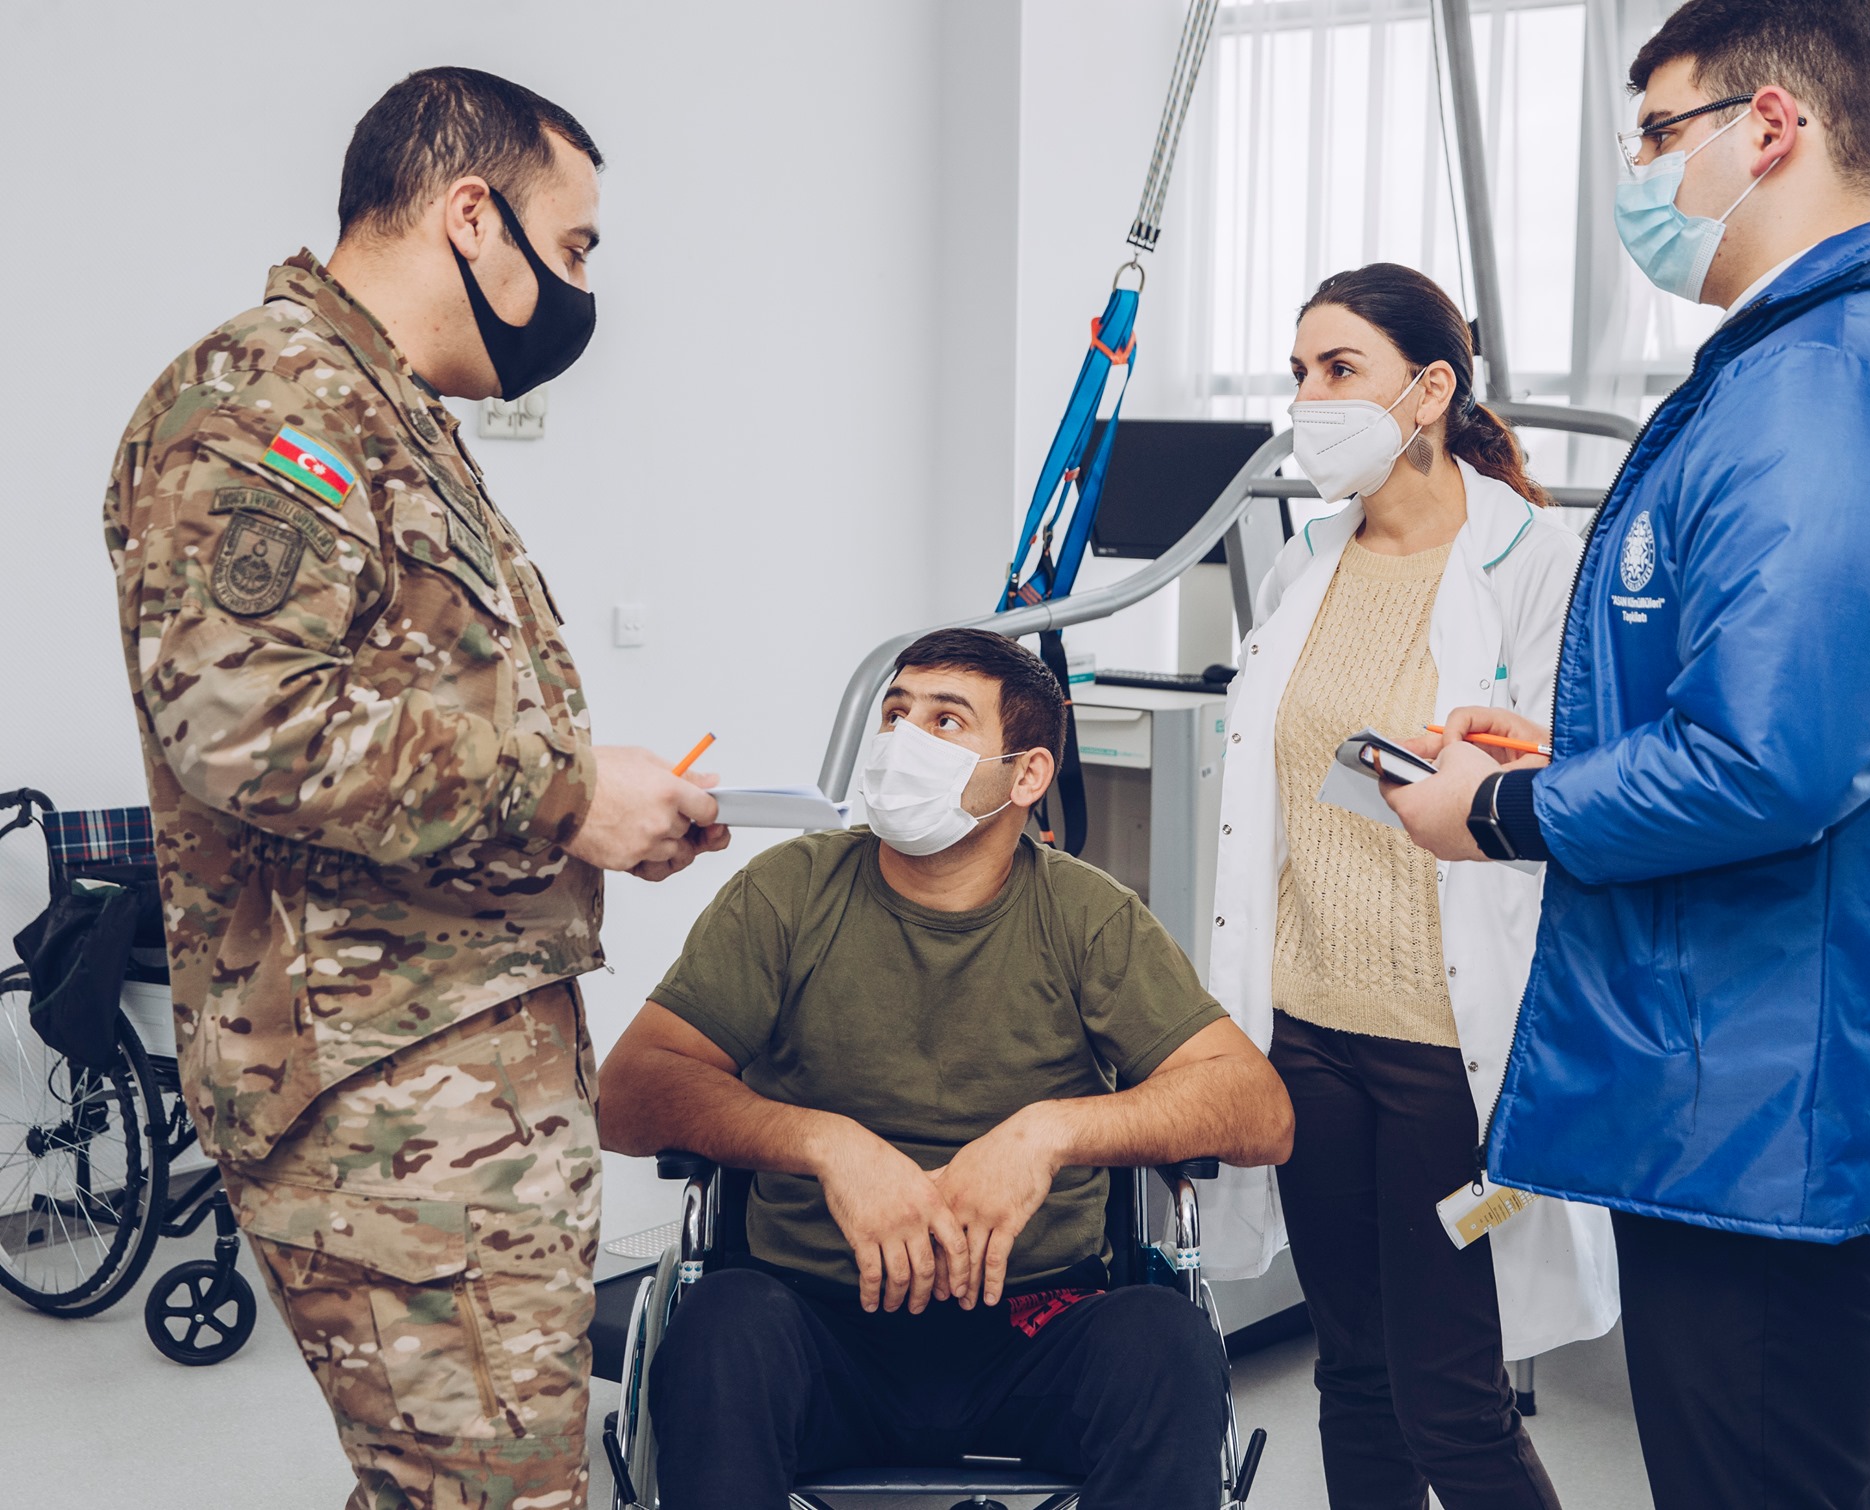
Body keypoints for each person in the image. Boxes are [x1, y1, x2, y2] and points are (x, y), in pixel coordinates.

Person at [1380, 4, 1870, 1507]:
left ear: (1771, 127)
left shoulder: (1835, 387)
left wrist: (1506, 808)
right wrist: (1576, 745)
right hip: (1746, 1074)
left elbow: (1772, 762)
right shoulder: (1792, 371)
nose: (1641, 176)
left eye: (1660, 136)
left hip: (1776, 1096)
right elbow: (1778, 701)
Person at [102, 67, 729, 1509]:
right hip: (382, 1085)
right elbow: (249, 723)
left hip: (451, 1069)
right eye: (572, 246)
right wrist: (570, 797)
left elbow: (402, 718)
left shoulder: (384, 411)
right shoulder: (267, 399)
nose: (581, 290)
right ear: (472, 214)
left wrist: (591, 815)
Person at [599, 628, 1295, 1510]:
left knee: (1167, 1342)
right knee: (716, 1333)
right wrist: (826, 1144)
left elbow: (1259, 1110)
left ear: (1027, 775)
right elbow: (629, 1092)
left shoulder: (1087, 916)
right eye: (895, 713)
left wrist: (1049, 1134)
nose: (903, 739)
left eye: (945, 721)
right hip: (813, 1320)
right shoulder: (790, 892)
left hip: (1036, 1324)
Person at [1207, 264, 1616, 1510]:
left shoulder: (1535, 561)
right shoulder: (1303, 563)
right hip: (1304, 1031)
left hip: (1449, 1049)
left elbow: (1576, 789)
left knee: (1451, 1399)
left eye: (1340, 369)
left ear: (1429, 389)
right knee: (1352, 1375)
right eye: (1298, 373)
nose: (1309, 398)